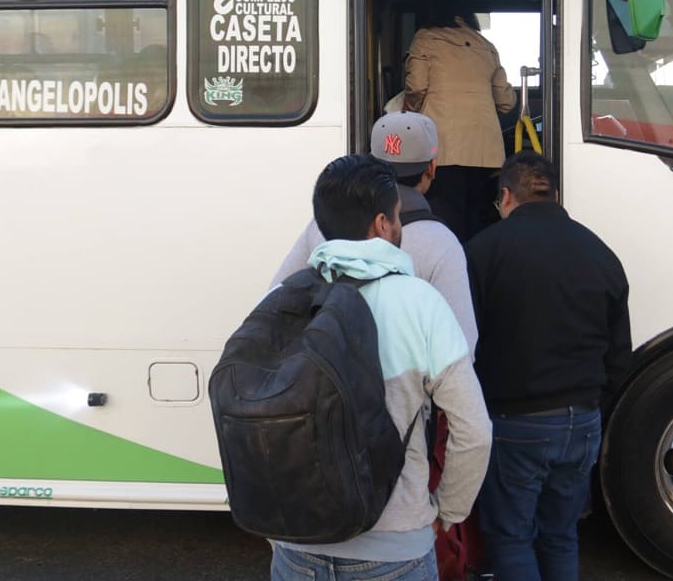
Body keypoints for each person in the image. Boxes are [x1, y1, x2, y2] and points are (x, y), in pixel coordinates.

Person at [270, 153, 492, 581]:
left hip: (297, 544)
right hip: (395, 548)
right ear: (381, 225)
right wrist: (448, 511)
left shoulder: (281, 301)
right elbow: (474, 430)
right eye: (396, 218)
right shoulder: (420, 303)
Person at [465, 151, 632, 581]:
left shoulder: (482, 253)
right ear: (556, 195)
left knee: (511, 537)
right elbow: (619, 354)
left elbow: (464, 344)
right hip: (583, 422)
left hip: (515, 423)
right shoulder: (600, 252)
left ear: (505, 196)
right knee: (560, 535)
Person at [271, 111, 477, 354]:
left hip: (331, 380)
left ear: (371, 163)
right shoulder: (441, 242)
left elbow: (275, 301)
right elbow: (462, 342)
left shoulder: (322, 224)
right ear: (431, 168)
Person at [403, 0, 517, 242]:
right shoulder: (486, 46)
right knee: (480, 223)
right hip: (486, 153)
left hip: (443, 150)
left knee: (446, 222)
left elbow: (416, 86)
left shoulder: (425, 38)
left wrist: (407, 113)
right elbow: (506, 102)